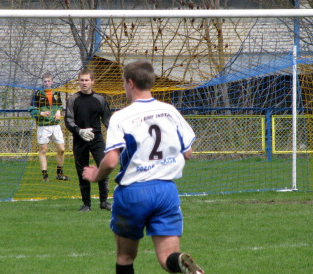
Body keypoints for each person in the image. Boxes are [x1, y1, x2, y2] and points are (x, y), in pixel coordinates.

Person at [82, 60, 204, 274]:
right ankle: (183, 263)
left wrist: (95, 175)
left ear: (130, 83)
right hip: (166, 191)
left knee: (125, 257)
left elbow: (111, 161)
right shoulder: (169, 111)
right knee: (168, 258)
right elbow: (188, 152)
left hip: (133, 193)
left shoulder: (121, 117)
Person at [64, 68, 112, 212]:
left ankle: (104, 202)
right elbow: (68, 120)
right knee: (82, 171)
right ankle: (86, 204)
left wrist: (117, 135)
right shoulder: (73, 99)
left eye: (87, 80)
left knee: (104, 167)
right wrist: (79, 131)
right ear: (79, 81)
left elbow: (107, 120)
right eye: (81, 80)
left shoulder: (100, 99)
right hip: (80, 140)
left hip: (97, 139)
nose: (84, 83)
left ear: (92, 81)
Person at [28, 72, 69, 182]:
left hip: (55, 125)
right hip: (43, 126)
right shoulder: (37, 94)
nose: (47, 83)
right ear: (43, 82)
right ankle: (45, 176)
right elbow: (31, 109)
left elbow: (60, 106)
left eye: (49, 81)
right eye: (45, 81)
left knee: (62, 149)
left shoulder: (56, 93)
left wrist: (59, 112)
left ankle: (59, 174)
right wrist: (40, 113)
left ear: (52, 82)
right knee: (43, 150)